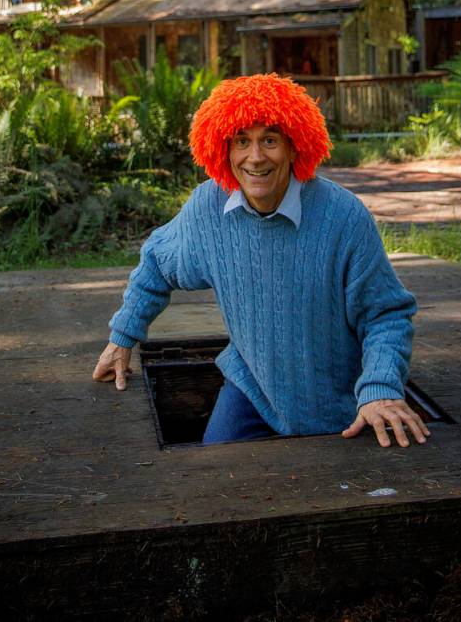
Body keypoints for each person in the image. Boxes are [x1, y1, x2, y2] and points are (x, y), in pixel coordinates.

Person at [93, 74, 430, 449]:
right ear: (223, 149)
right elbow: (156, 262)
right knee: (214, 477)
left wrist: (381, 387)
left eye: (269, 140)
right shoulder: (209, 207)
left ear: (294, 146)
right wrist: (123, 337)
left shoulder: (344, 217)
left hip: (337, 399)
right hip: (250, 385)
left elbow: (386, 314)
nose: (255, 157)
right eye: (242, 142)